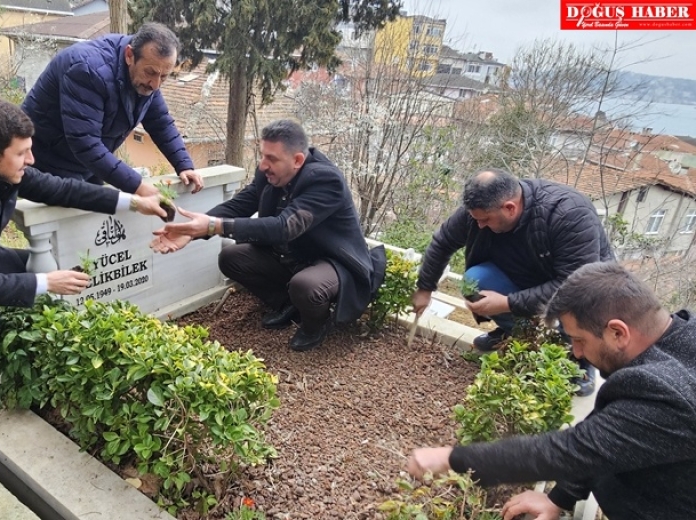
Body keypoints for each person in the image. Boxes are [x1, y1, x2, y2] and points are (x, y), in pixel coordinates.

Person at [0, 95, 168, 408]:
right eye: (22, 153)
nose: (31, 159)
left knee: (44, 266)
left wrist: (132, 202)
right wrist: (47, 282)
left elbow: (57, 188)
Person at [406, 262, 696, 520]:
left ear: (618, 332)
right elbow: (606, 440)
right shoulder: (678, 335)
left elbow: (568, 450)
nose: (577, 353)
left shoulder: (666, 394)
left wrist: (451, 459)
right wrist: (560, 497)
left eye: (579, 340)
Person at [151, 120, 386, 351]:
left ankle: (316, 324)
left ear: (297, 160)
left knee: (306, 285)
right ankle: (289, 305)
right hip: (294, 256)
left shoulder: (325, 180)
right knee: (231, 257)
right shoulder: (270, 172)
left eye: (271, 158)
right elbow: (240, 205)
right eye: (263, 155)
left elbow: (284, 227)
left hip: (332, 262)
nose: (263, 165)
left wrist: (213, 226)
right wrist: (192, 231)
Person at [412, 168, 613, 394]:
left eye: (485, 220)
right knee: (475, 281)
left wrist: (508, 303)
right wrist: (425, 288)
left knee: (579, 304)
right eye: (476, 219)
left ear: (510, 208)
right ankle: (515, 334)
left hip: (581, 289)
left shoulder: (568, 214)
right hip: (526, 275)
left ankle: (580, 357)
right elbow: (443, 242)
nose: (479, 225)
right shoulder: (481, 208)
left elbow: (575, 287)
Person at [21, 22, 203, 198]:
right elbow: (85, 142)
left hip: (85, 164)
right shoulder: (87, 70)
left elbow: (160, 123)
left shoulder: (145, 78)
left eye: (164, 77)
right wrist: (137, 186)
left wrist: (184, 165)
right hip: (44, 161)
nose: (155, 85)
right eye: (151, 73)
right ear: (129, 55)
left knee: (99, 214)